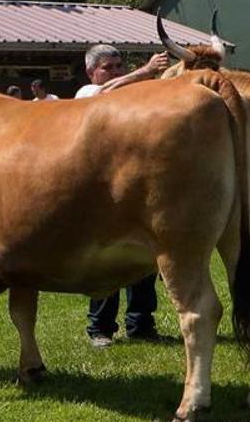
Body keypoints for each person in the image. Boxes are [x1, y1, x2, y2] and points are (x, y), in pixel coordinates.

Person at [76, 44, 170, 348]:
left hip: (130, 185)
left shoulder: (128, 93)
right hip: (99, 190)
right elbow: (102, 94)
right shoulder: (85, 93)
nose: (116, 72)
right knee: (107, 259)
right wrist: (144, 71)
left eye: (119, 66)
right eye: (109, 67)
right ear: (91, 72)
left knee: (141, 255)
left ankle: (141, 324)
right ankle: (99, 328)